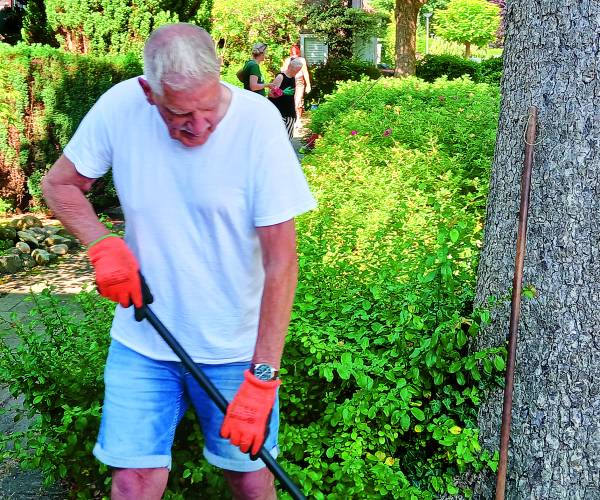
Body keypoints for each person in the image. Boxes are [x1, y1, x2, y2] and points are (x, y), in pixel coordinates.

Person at [41, 23, 316, 500]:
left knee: (249, 479)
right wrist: (102, 243)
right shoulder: (120, 108)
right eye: (179, 112)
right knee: (132, 481)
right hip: (143, 343)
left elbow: (281, 261)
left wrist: (264, 376)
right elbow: (59, 185)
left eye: (208, 107)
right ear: (149, 92)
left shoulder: (257, 125)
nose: (200, 124)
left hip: (235, 349)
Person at [268, 59, 304, 140]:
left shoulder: (293, 77)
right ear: (290, 67)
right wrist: (282, 92)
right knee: (278, 137)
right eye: (295, 70)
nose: (297, 72)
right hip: (279, 111)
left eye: (298, 70)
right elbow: (270, 94)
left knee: (288, 138)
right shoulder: (280, 77)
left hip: (290, 112)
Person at [282, 44, 311, 128]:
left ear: (298, 52)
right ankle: (292, 119)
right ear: (291, 52)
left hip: (299, 81)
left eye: (296, 51)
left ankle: (298, 119)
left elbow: (305, 72)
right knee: (290, 100)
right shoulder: (287, 60)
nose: (294, 53)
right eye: (292, 51)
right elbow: (283, 71)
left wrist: (308, 85)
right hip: (290, 82)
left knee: (298, 101)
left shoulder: (302, 60)